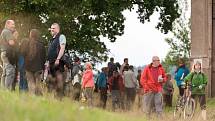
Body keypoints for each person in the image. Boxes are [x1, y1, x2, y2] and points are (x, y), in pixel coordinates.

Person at [23, 29, 46, 95]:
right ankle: (38, 98)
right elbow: (44, 58)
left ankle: (32, 98)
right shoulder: (41, 45)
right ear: (37, 36)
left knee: (30, 83)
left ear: (30, 35)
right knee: (38, 84)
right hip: (38, 67)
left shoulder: (26, 44)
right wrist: (42, 66)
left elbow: (23, 54)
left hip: (28, 67)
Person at [47, 23, 66, 98]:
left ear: (58, 29)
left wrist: (58, 59)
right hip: (51, 62)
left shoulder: (61, 36)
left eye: (53, 28)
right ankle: (54, 98)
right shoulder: (52, 39)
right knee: (52, 81)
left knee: (59, 80)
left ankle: (59, 98)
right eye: (51, 28)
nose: (52, 29)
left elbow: (62, 48)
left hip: (58, 62)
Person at [0, 20, 18, 90]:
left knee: (5, 72)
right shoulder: (7, 32)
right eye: (12, 24)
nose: (14, 26)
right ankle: (7, 90)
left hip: (4, 53)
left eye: (14, 24)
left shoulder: (3, 31)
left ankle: (3, 90)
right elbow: (11, 43)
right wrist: (15, 36)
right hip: (8, 54)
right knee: (10, 72)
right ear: (7, 24)